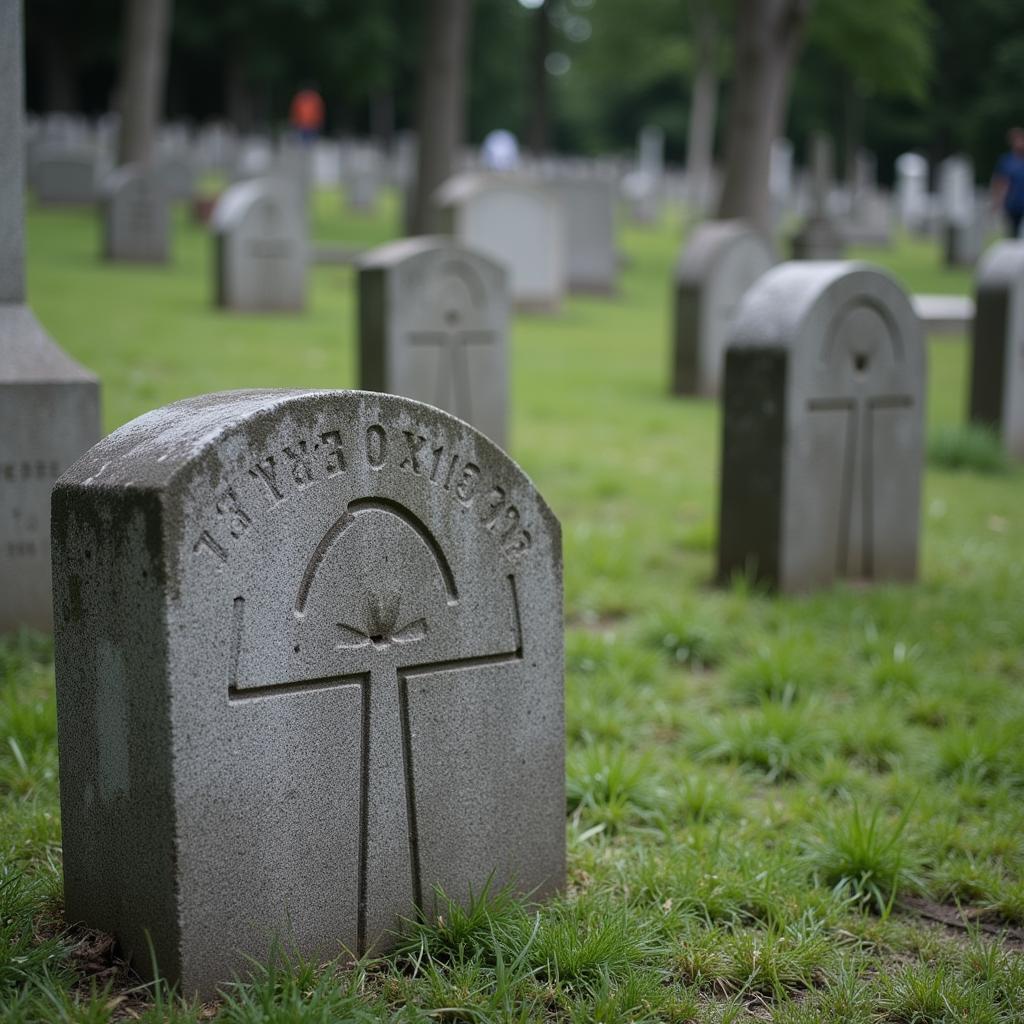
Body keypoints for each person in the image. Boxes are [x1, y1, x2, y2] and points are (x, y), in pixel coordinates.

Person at [992, 127, 1024, 237]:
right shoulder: (1006, 161)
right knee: (1013, 234)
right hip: (1013, 203)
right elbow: (1001, 182)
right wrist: (997, 201)